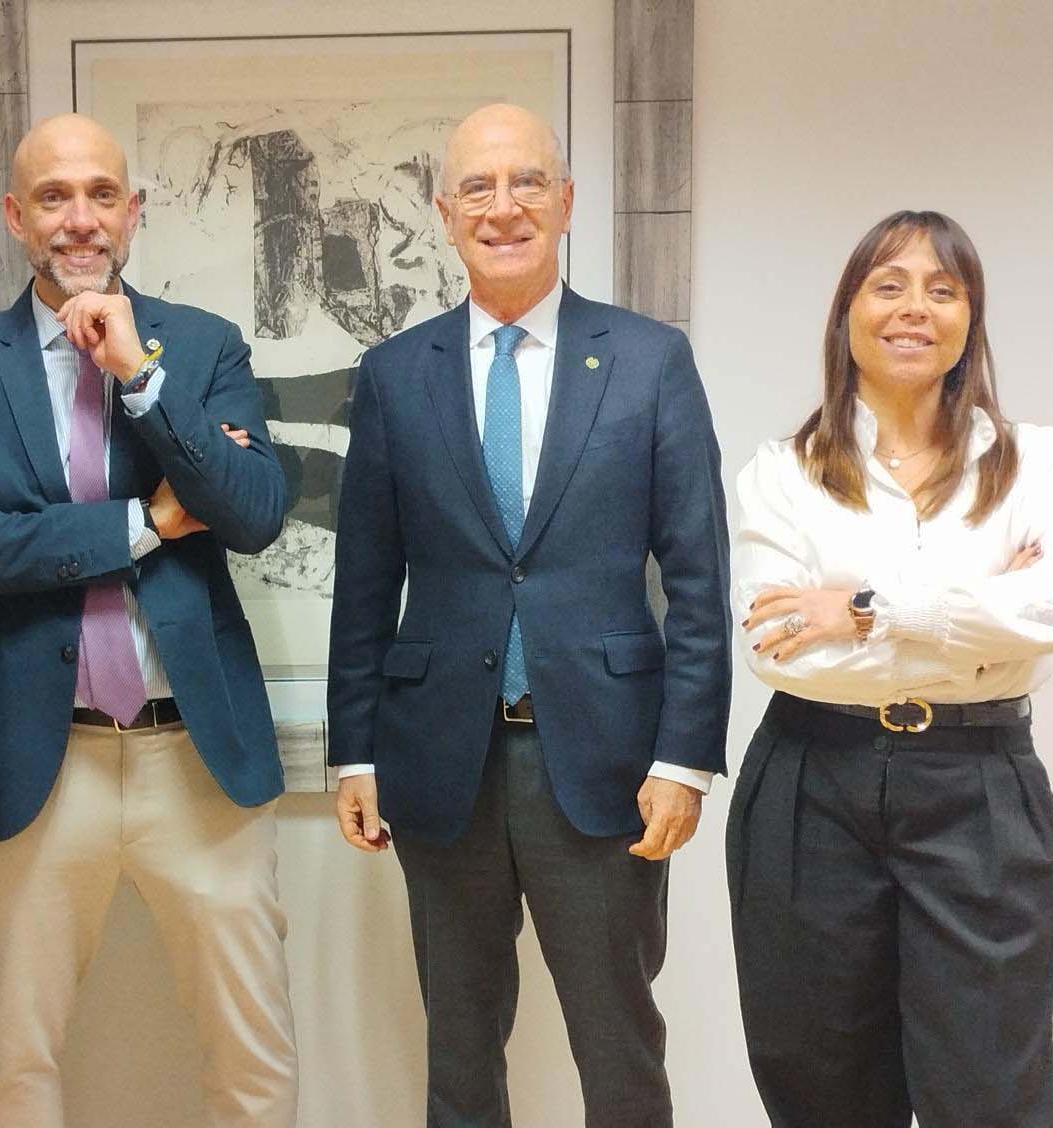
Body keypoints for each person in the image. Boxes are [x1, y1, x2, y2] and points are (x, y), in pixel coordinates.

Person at [326, 102, 732, 1127]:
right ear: (444, 214)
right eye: (477, 187)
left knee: (618, 1047)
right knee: (459, 1054)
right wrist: (353, 752)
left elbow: (697, 579)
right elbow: (365, 583)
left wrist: (685, 758)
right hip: (439, 764)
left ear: (566, 202)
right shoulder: (394, 375)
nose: (502, 207)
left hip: (603, 763)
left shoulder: (648, 359)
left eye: (526, 183)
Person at [0, 112, 297, 1128]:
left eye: (100, 195)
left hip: (196, 757)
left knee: (251, 1057)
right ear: (14, 217)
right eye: (53, 197)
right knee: (12, 1062)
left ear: (133, 211)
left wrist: (141, 377)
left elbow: (254, 513)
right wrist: (144, 523)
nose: (79, 219)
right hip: (38, 761)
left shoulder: (200, 347)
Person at [728, 209, 1053, 1128]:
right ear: (847, 313)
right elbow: (784, 645)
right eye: (888, 285)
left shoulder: (1028, 462)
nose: (914, 308)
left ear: (970, 319)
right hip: (812, 777)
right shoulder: (783, 472)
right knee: (821, 1085)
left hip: (980, 784)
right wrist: (986, 606)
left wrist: (866, 606)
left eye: (943, 290)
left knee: (992, 1088)